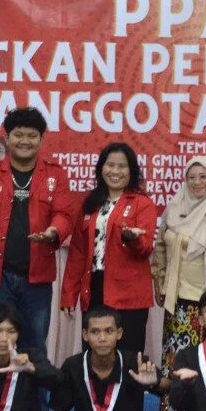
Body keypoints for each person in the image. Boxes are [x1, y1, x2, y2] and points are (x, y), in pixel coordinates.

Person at [0, 108, 77, 354]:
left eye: (32, 136)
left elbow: (65, 214)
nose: (24, 141)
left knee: (33, 349)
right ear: (7, 138)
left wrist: (53, 231)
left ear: (41, 139)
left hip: (36, 279)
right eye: (18, 135)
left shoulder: (55, 174)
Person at [152, 156, 206, 411]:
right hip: (177, 302)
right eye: (192, 177)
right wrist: (160, 281)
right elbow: (160, 247)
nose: (197, 182)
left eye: (203, 177)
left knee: (205, 367)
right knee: (176, 364)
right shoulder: (174, 208)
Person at [60, 142, 157, 354]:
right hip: (94, 289)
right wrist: (69, 293)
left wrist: (132, 239)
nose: (115, 171)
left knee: (128, 356)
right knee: (95, 354)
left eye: (122, 166)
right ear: (101, 168)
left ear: (131, 171)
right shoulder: (90, 203)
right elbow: (77, 252)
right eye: (110, 165)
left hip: (129, 295)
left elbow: (146, 248)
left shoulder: (142, 203)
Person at [50, 306, 161, 411]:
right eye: (95, 332)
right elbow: (60, 410)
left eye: (109, 331)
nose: (102, 338)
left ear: (119, 333)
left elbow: (167, 386)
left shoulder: (134, 363)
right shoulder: (72, 366)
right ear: (85, 335)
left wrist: (155, 383)